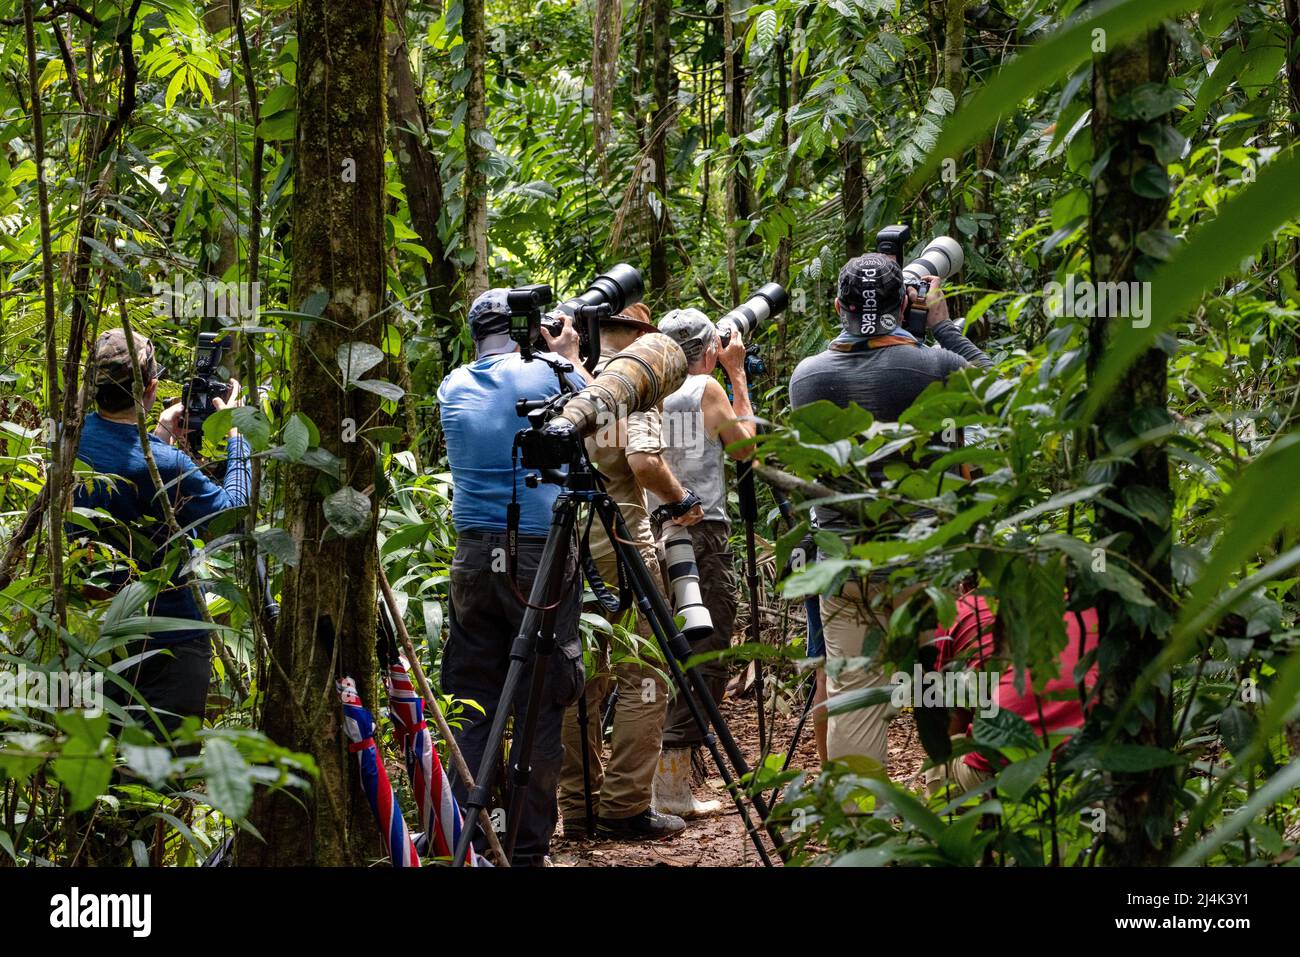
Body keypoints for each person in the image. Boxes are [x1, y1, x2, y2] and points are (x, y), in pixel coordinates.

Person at [788, 253, 993, 771]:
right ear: (907, 303)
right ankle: (946, 805)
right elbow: (1002, 393)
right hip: (923, 562)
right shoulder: (937, 366)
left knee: (854, 693)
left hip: (844, 564)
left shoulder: (806, 377)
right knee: (939, 685)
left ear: (838, 306)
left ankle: (860, 830)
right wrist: (942, 328)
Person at [437, 288, 590, 866]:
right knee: (540, 699)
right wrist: (571, 354)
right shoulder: (552, 373)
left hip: (473, 555)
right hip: (538, 552)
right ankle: (526, 851)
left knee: (472, 696)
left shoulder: (451, 385)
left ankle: (471, 840)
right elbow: (600, 409)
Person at [558, 302, 704, 841]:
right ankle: (622, 807)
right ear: (643, 340)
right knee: (644, 676)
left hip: (567, 548)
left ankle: (579, 808)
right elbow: (645, 462)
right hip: (622, 549)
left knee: (581, 678)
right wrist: (681, 498)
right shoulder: (633, 387)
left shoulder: (572, 381)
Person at [73, 328, 249, 746]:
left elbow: (128, 481)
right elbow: (231, 516)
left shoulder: (69, 441)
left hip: (95, 634)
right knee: (164, 774)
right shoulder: (166, 464)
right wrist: (236, 436)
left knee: (103, 771)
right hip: (170, 639)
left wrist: (159, 435)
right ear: (151, 386)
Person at [648, 307, 756, 817]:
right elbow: (746, 450)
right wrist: (735, 374)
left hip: (655, 530)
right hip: (702, 531)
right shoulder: (705, 390)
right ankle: (670, 785)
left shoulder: (647, 390)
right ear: (708, 350)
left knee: (671, 646)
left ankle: (656, 779)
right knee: (709, 646)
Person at [923, 593, 1099, 796]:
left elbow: (950, 725)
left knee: (944, 752)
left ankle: (950, 823)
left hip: (1005, 769)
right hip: (1091, 764)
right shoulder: (1090, 605)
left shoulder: (962, 610)